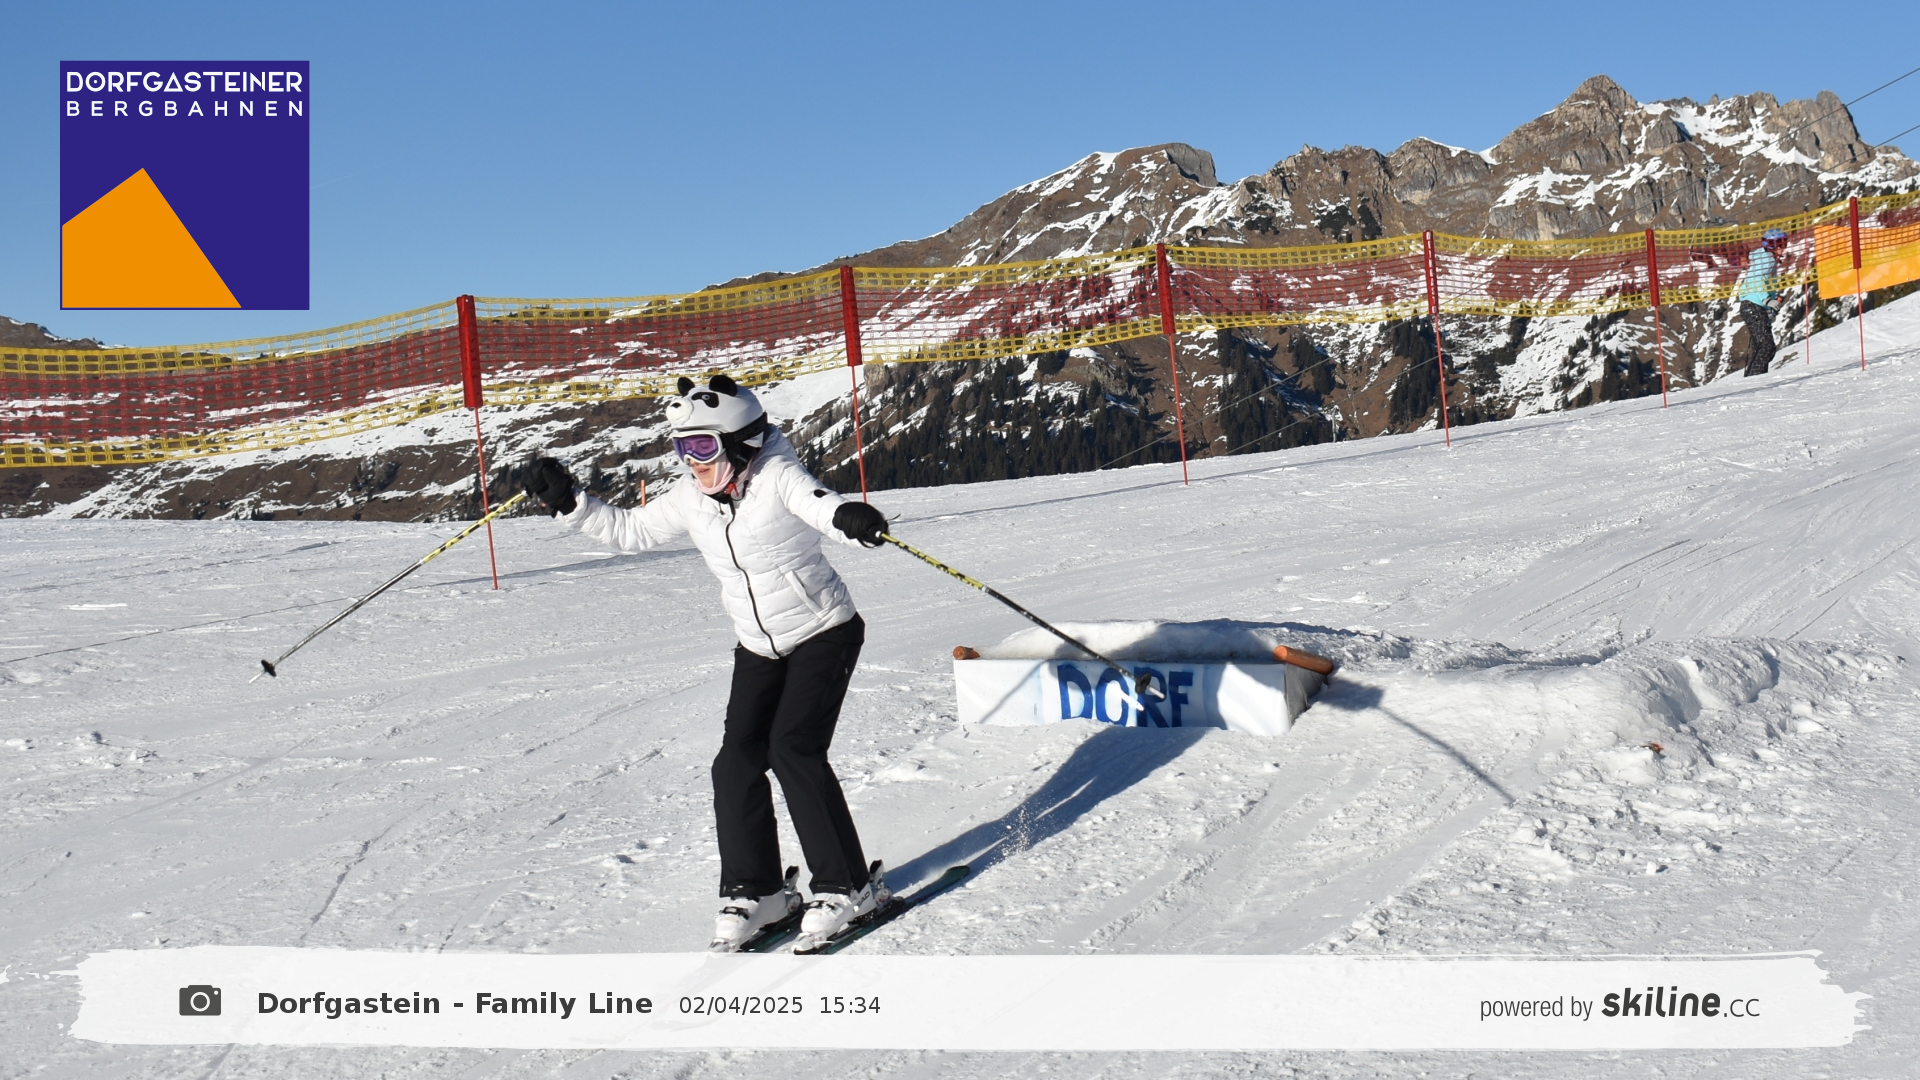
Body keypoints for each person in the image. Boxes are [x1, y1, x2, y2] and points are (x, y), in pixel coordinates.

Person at [520, 373, 892, 953]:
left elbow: (819, 505)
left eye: (702, 446)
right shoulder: (692, 497)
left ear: (741, 443)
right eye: (682, 448)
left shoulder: (777, 476)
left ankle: (847, 887)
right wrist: (570, 503)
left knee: (792, 749)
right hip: (758, 645)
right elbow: (632, 530)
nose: (692, 461)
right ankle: (759, 893)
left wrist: (853, 520)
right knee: (735, 763)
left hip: (824, 632)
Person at [1735, 228, 1790, 376]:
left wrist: (1769, 302)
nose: (1784, 248)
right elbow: (1757, 279)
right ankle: (1754, 380)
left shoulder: (1764, 257)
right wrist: (1766, 300)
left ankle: (1753, 379)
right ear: (1773, 246)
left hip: (1751, 305)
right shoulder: (1768, 260)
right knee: (1766, 346)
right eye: (1781, 244)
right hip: (1754, 305)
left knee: (1759, 348)